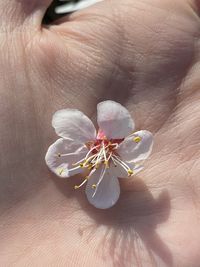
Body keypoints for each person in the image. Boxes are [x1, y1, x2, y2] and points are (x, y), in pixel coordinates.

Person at [0, 0, 200, 266]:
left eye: (104, 150)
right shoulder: (81, 135)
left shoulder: (117, 144)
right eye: (101, 149)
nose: (101, 153)